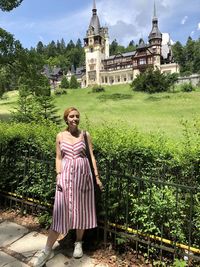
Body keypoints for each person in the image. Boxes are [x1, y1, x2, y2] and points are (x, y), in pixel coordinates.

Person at [33, 107, 103, 267]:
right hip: (65, 179)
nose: (75, 118)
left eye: (77, 116)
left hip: (83, 178)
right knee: (59, 215)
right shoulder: (60, 135)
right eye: (71, 116)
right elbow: (58, 157)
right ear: (66, 119)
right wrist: (58, 175)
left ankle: (78, 242)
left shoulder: (85, 135)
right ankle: (47, 250)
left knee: (81, 210)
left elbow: (91, 156)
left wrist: (97, 177)